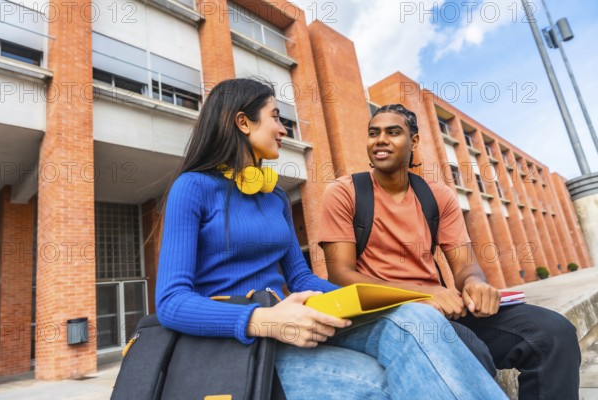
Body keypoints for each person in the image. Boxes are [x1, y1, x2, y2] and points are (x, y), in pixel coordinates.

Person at [155, 79, 506, 399]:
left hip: (297, 320)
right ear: (243, 122)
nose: (282, 128)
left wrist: (383, 301)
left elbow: (302, 278)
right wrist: (266, 320)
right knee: (377, 383)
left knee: (419, 320)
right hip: (244, 338)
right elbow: (171, 302)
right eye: (275, 117)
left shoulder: (274, 196)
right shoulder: (192, 188)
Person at [318, 103, 581, 400]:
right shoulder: (344, 192)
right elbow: (340, 274)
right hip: (388, 314)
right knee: (467, 347)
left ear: (414, 141)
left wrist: (475, 284)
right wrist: (421, 294)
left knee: (552, 333)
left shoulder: (437, 195)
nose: (380, 140)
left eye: (393, 132)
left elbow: (464, 265)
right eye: (373, 133)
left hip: (445, 308)